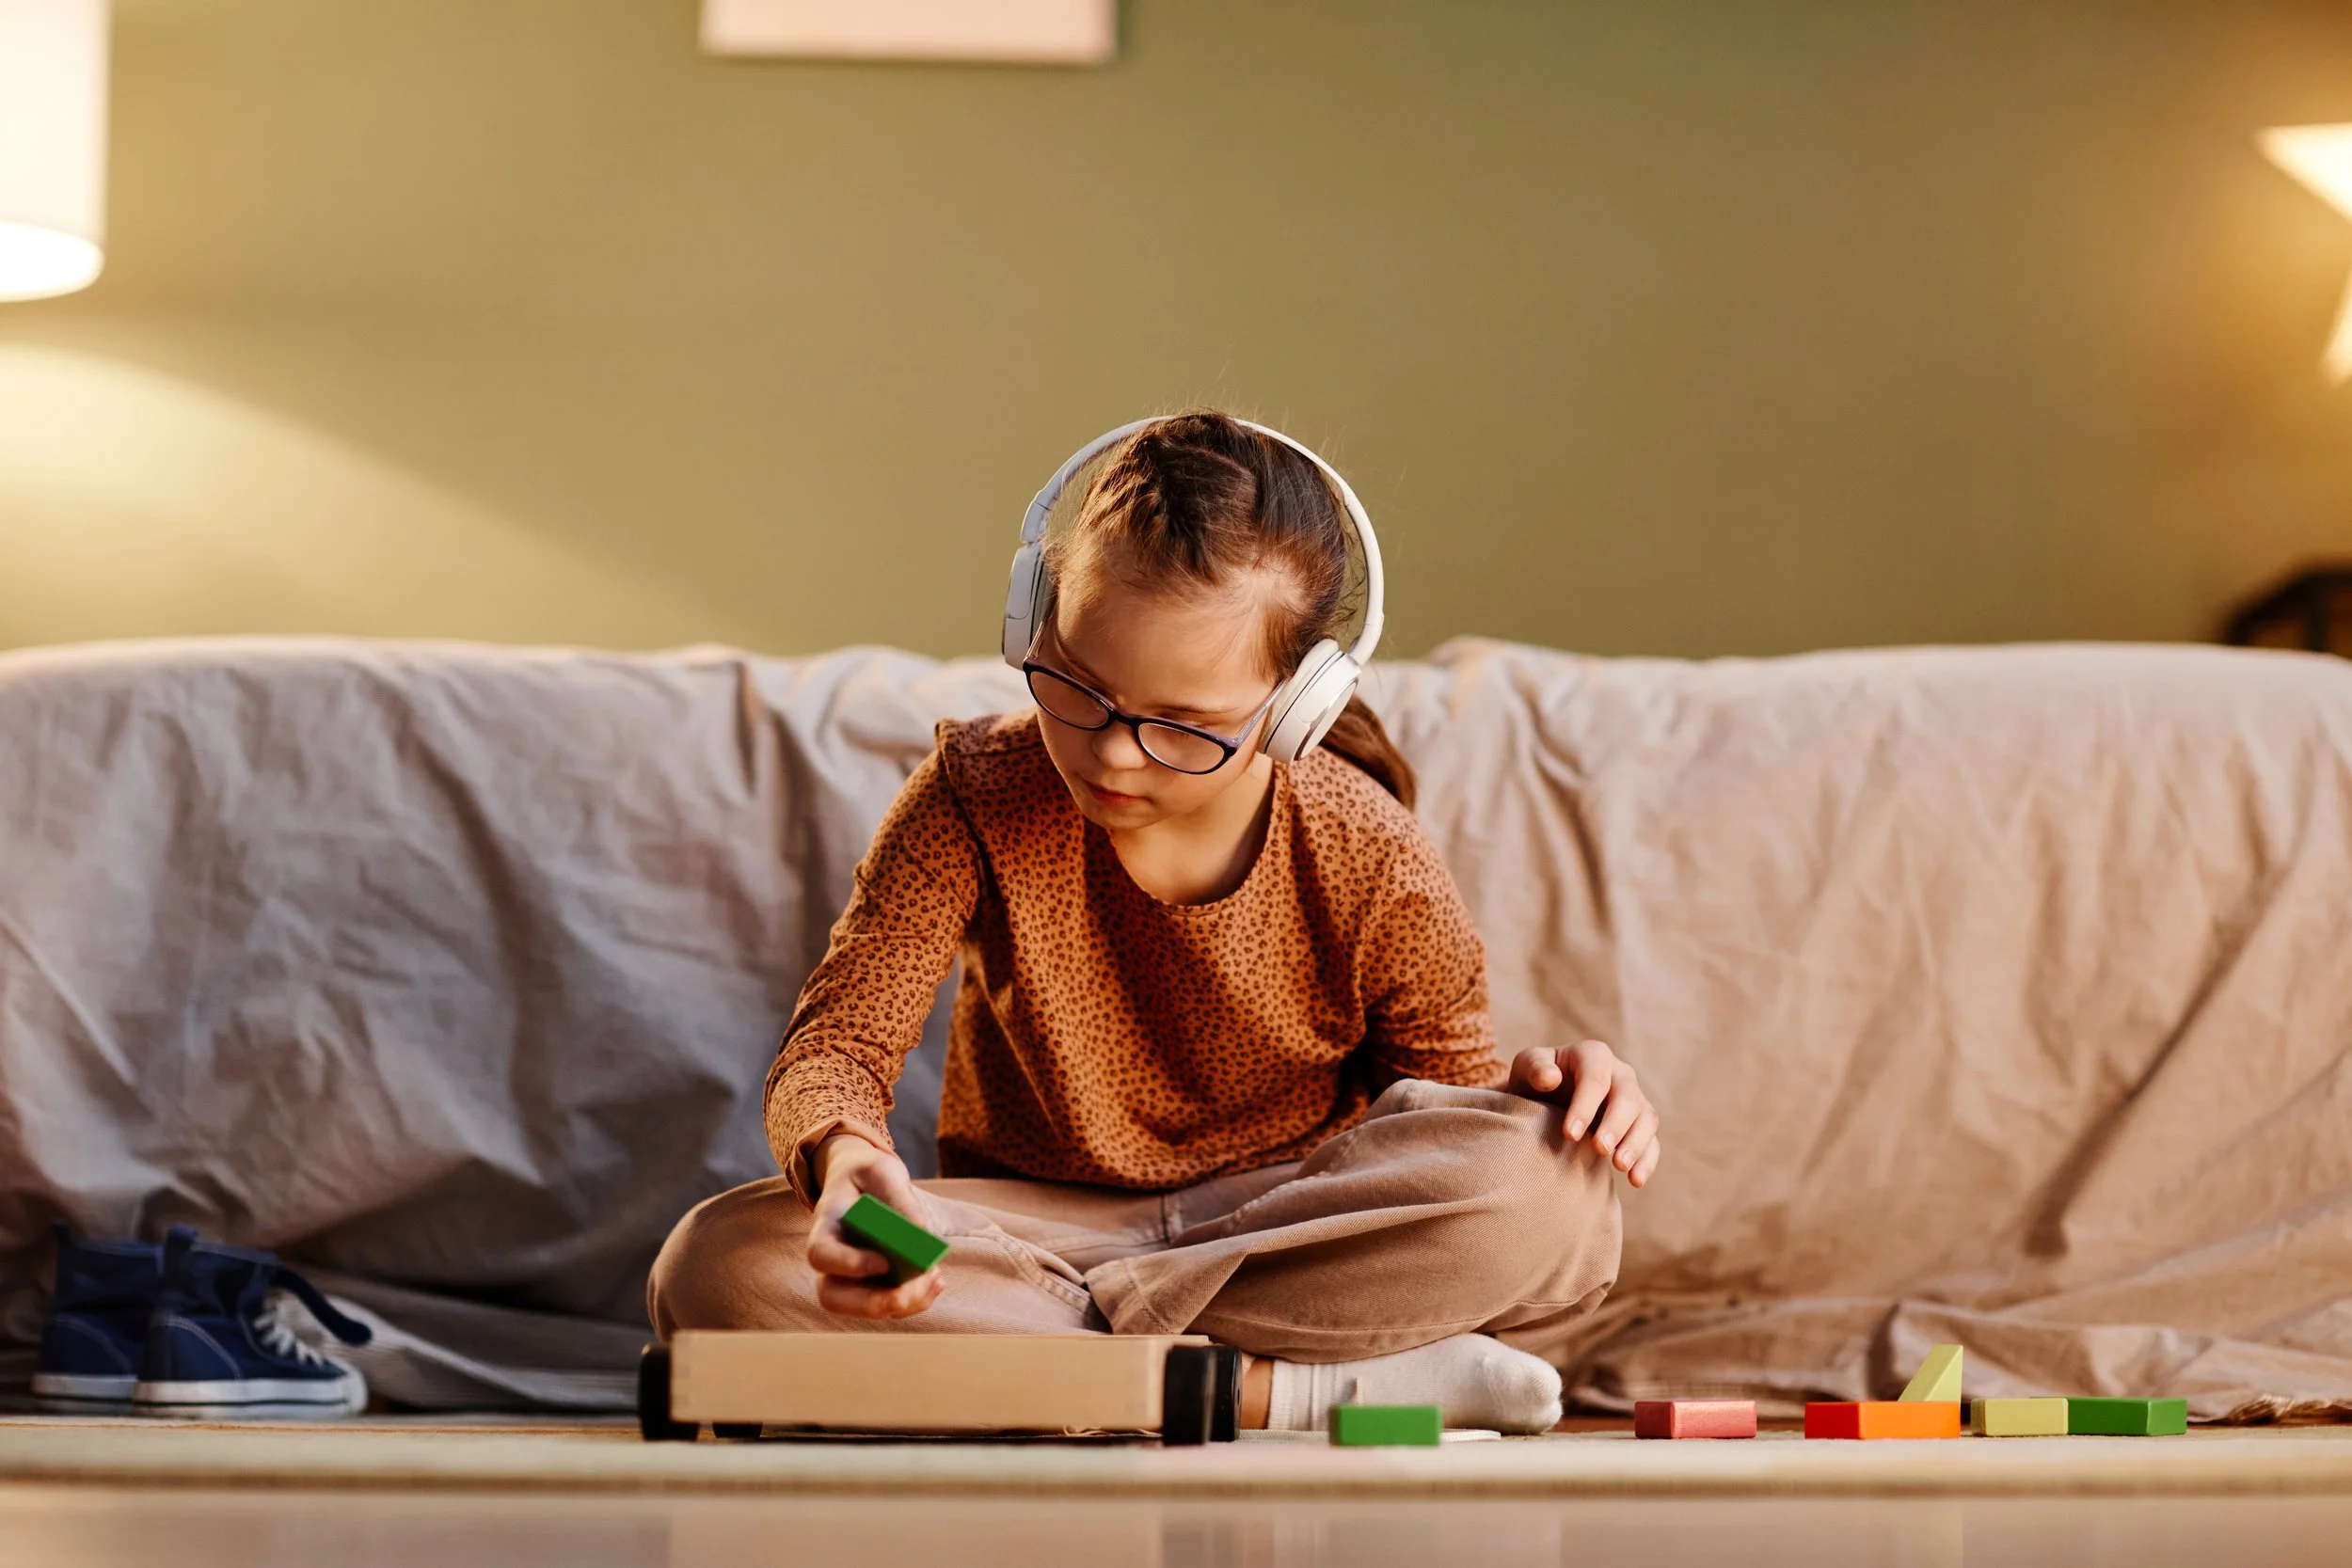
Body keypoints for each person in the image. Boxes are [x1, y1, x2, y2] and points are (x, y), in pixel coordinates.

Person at [649, 411, 1661, 1433]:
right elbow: (840, 1042)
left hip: (1285, 1225)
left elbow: (1437, 1117)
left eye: (1183, 725)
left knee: (1553, 1188)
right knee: (718, 1263)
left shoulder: (1368, 848)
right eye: (1077, 688)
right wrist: (843, 1162)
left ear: (1293, 702)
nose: (1113, 755)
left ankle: (1054, 1369)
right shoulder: (971, 792)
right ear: (1031, 620)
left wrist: (1536, 1103)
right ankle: (1292, 1390)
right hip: (1033, 1239)